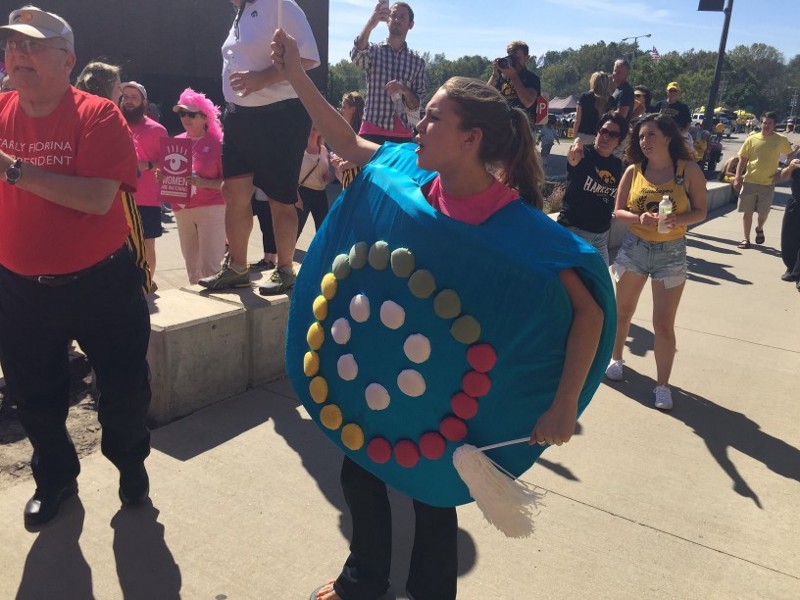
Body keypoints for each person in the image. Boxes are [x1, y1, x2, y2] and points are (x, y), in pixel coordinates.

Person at [272, 29, 606, 600]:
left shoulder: (520, 228)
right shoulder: (408, 170)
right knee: (359, 468)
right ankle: (363, 579)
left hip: (446, 404)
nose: (417, 129)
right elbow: (349, 144)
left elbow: (589, 310)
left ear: (470, 138)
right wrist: (296, 76)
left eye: (431, 120)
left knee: (433, 500)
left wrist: (565, 402)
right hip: (382, 380)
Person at [0, 6, 152, 528]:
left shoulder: (97, 114)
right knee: (34, 397)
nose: (18, 54)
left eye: (33, 46)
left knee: (125, 389)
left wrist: (13, 169)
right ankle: (56, 479)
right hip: (19, 288)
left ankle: (131, 465)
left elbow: (95, 198)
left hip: (101, 283)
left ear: (68, 61)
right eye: (12, 45)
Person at [199, 0, 320, 295]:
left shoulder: (281, 6)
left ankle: (285, 268)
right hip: (239, 116)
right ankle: (237, 268)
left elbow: (307, 58)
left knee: (281, 198)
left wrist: (261, 79)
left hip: (279, 115)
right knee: (234, 191)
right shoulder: (239, 13)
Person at [606, 114, 708, 410]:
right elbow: (618, 211)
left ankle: (663, 386)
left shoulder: (687, 170)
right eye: (640, 137)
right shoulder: (634, 171)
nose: (644, 141)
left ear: (667, 136)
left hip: (671, 251)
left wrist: (679, 219)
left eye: (650, 135)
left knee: (663, 324)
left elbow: (701, 210)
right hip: (634, 247)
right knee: (622, 312)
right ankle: (616, 360)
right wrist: (639, 218)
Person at [74, 61, 154, 294]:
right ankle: (141, 283)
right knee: (131, 243)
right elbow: (128, 172)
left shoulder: (68, 113)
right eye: (118, 86)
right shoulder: (110, 117)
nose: (121, 92)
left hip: (73, 196)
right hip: (114, 195)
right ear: (108, 87)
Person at [157, 88, 226, 284]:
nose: (185, 118)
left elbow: (230, 183)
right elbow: (170, 175)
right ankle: (200, 306)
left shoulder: (218, 144)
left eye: (191, 114)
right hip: (181, 208)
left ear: (205, 117)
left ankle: (217, 308)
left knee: (210, 265)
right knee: (192, 265)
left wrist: (203, 183)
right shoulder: (175, 142)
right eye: (182, 113)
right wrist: (162, 177)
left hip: (211, 207)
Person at [351, 2, 426, 145]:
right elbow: (356, 57)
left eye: (402, 17)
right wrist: (371, 23)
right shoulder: (373, 51)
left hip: (404, 136)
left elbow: (417, 105)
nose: (397, 20)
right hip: (371, 132)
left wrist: (404, 90)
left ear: (411, 25)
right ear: (387, 21)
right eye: (393, 16)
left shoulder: (417, 61)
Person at [558, 113, 628, 264]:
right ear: (597, 132)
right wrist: (572, 159)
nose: (606, 137)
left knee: (599, 283)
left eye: (613, 134)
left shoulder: (616, 164)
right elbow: (573, 162)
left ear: (619, 141)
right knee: (572, 282)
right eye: (604, 131)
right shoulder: (584, 154)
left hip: (601, 236)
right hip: (575, 231)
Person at [120, 80, 168, 284]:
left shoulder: (158, 130)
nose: (129, 101)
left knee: (147, 244)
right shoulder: (114, 124)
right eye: (126, 97)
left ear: (144, 102)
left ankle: (146, 283)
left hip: (147, 198)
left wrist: (147, 164)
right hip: (119, 197)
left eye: (134, 97)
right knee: (120, 246)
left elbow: (170, 162)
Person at [733, 111, 793, 249]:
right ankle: (745, 239)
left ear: (775, 125)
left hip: (768, 183)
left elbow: (790, 156)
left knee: (763, 213)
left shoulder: (780, 140)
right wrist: (737, 177)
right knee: (747, 212)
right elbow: (742, 159)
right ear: (761, 123)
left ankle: (759, 227)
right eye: (764, 123)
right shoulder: (752, 139)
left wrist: (781, 172)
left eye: (769, 123)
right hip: (749, 181)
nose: (766, 126)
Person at [488, 40, 540, 126]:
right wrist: (494, 75)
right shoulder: (502, 77)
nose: (513, 61)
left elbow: (528, 102)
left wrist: (514, 77)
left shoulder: (532, 78)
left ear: (526, 58)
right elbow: (485, 96)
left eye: (517, 58)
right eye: (511, 57)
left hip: (523, 129)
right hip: (503, 127)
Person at [296, 124, 332, 236]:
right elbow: (291, 174)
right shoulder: (299, 149)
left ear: (320, 133)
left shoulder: (323, 150)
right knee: (297, 228)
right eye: (311, 128)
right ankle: (287, 253)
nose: (312, 131)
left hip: (320, 193)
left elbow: (326, 173)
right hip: (302, 192)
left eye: (315, 129)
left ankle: (321, 253)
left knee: (323, 228)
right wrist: (296, 196)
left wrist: (327, 176)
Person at [331, 91, 364, 188]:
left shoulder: (359, 133)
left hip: (356, 183)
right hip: (348, 182)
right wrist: (341, 160)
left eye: (344, 107)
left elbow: (359, 158)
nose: (341, 110)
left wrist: (342, 165)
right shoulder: (350, 131)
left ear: (353, 109)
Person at [776, 157, 800, 287]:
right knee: (788, 240)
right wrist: (790, 167)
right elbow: (783, 176)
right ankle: (792, 268)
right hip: (795, 202)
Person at [572, 71, 613, 145]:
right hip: (601, 137)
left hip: (583, 135)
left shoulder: (585, 97)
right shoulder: (611, 100)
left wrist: (575, 136)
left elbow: (578, 120)